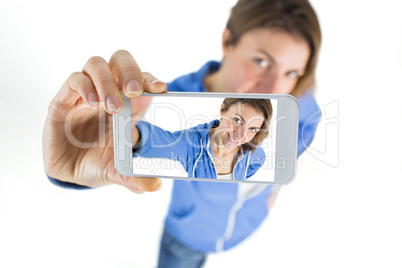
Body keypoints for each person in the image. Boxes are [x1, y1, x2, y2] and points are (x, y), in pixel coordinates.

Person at [42, 0, 322, 267]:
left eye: (292, 72)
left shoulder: (296, 104)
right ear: (227, 42)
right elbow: (158, 142)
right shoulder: (173, 106)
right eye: (261, 61)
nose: (274, 88)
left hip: (249, 228)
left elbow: (308, 124)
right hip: (187, 239)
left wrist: (276, 185)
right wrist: (123, 139)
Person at [132, 98, 272, 181]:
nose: (240, 136)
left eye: (252, 129)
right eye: (237, 120)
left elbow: (255, 164)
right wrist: (127, 131)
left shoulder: (254, 152)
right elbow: (159, 141)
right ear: (222, 110)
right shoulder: (191, 144)